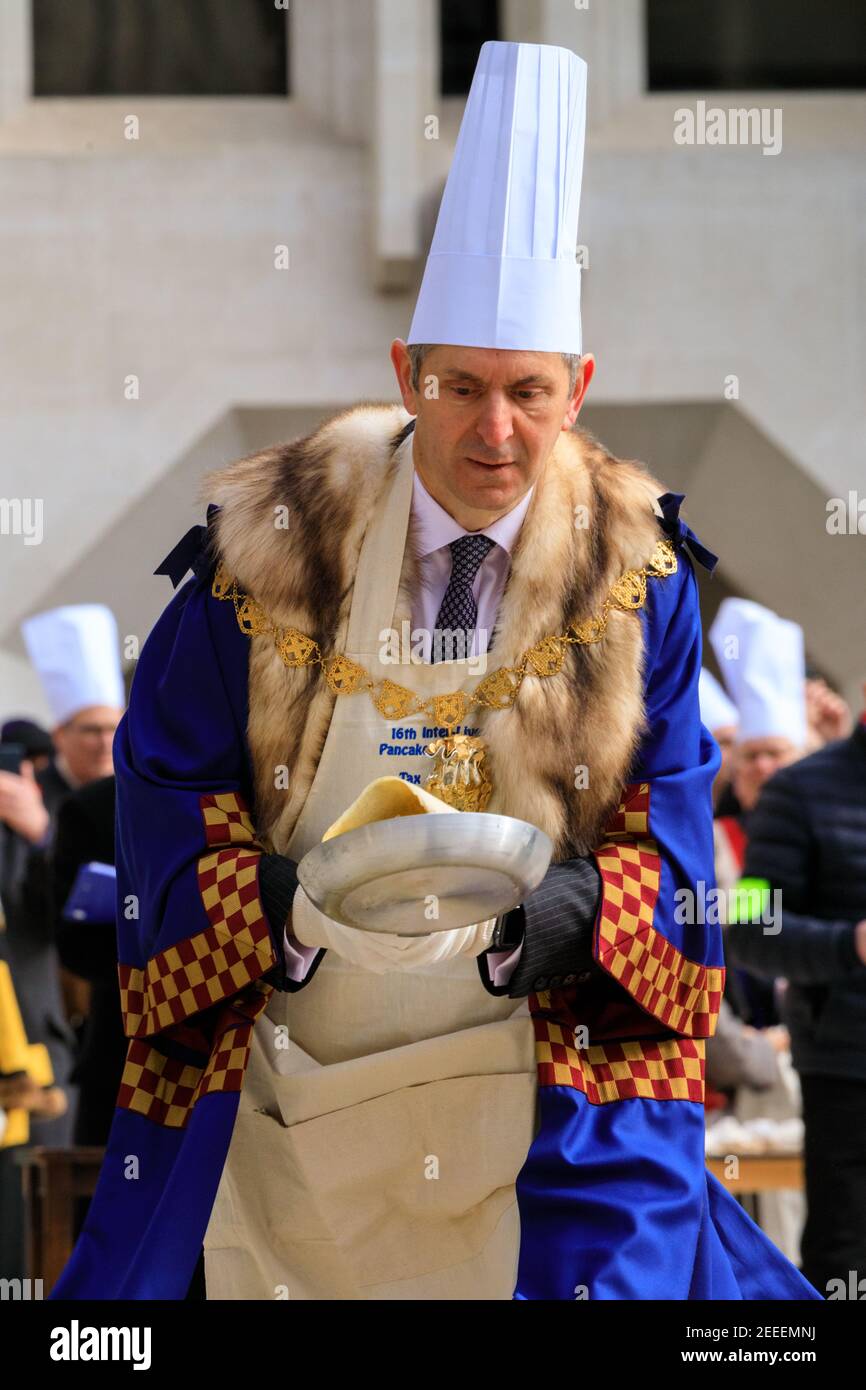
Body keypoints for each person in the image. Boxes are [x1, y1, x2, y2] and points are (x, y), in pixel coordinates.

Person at [53, 40, 820, 1302]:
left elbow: (679, 860)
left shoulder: (641, 582)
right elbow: (159, 805)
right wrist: (279, 903)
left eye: (527, 391)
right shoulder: (264, 552)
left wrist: (580, 913)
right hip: (296, 1091)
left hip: (544, 1087)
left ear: (577, 390)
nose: (494, 432)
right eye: (461, 387)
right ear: (406, 376)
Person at [725, 683, 866, 1296]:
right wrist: (851, 944)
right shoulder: (796, 790)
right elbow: (751, 927)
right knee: (848, 1257)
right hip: (848, 1068)